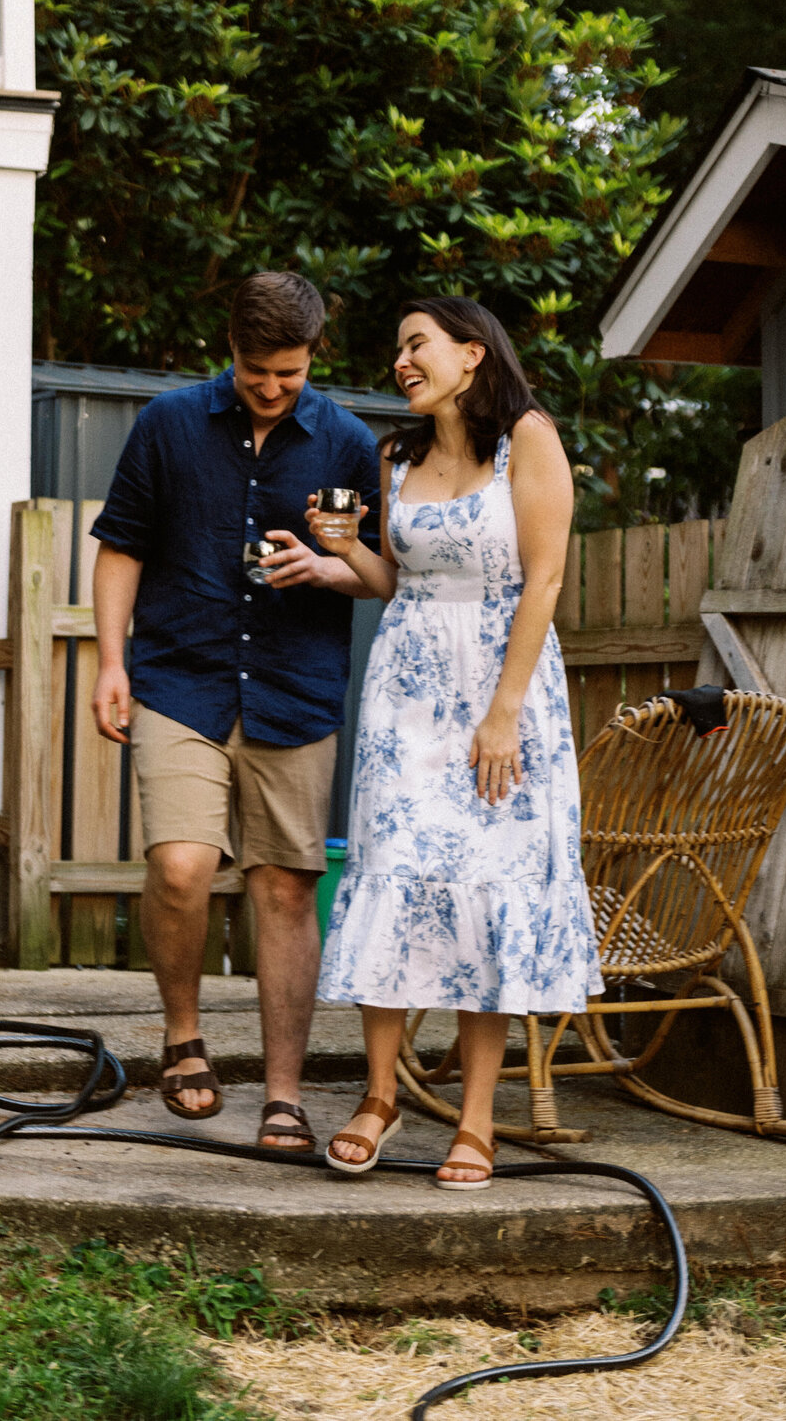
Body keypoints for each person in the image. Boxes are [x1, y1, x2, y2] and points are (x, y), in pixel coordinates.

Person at [310, 297, 603, 1188]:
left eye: (417, 343)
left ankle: (476, 1121)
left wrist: (505, 710)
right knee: (393, 871)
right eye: (397, 348)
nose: (402, 360)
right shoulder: (394, 454)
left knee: (485, 892)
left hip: (502, 690)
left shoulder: (529, 437)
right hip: (407, 695)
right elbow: (395, 581)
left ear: (471, 354)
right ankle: (379, 1096)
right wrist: (345, 549)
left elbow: (545, 577)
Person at [90, 271, 381, 1152]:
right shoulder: (169, 425)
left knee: (287, 888)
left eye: (288, 374)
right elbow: (119, 548)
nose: (270, 387)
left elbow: (390, 571)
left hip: (295, 689)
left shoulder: (350, 442)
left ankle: (283, 1095)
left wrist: (332, 567)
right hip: (180, 680)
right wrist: (111, 663)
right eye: (258, 370)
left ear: (312, 357)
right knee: (182, 868)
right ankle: (183, 1041)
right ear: (232, 349)